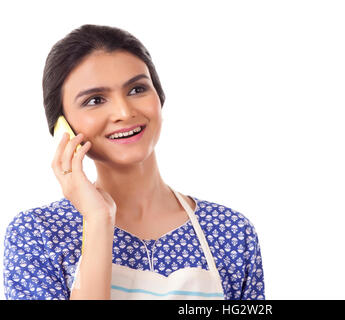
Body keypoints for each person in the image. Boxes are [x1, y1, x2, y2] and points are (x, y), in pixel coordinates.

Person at [3, 24, 265, 300]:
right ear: (62, 126)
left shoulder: (231, 231)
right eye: (95, 100)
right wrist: (98, 220)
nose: (124, 112)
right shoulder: (38, 235)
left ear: (159, 98)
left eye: (137, 89)